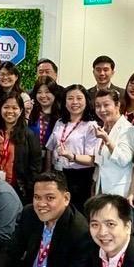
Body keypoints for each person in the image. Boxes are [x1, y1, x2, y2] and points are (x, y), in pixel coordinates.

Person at [46, 84, 98, 213]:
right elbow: (50, 148)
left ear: (86, 101)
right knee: (57, 211)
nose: (74, 102)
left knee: (76, 213)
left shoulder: (91, 126)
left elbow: (92, 159)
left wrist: (72, 156)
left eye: (79, 98)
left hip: (80, 177)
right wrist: (48, 172)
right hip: (58, 173)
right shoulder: (60, 122)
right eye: (70, 98)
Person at [0, 91, 41, 203]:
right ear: (0, 109)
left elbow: (35, 167)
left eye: (14, 108)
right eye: (6, 107)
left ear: (20, 111)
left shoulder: (29, 135)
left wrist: (29, 190)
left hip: (18, 189)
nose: (10, 111)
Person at [92, 89, 134, 198]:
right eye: (98, 106)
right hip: (101, 187)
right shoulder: (102, 128)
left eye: (106, 105)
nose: (102, 110)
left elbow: (124, 160)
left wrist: (107, 140)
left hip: (119, 191)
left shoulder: (128, 128)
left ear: (117, 105)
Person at [29, 80, 63, 170]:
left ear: (54, 93)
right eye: (39, 92)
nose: (43, 96)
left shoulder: (62, 117)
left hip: (53, 162)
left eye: (47, 92)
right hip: (31, 161)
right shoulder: (30, 114)